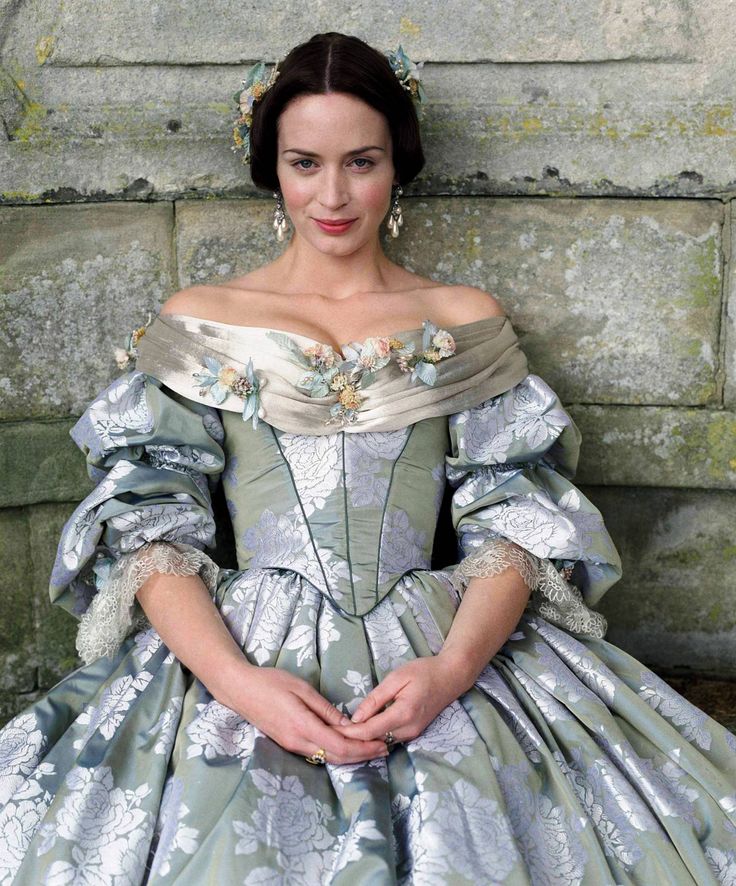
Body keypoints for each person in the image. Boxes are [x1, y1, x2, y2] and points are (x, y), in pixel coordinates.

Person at [1, 30, 735, 886]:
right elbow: (149, 533)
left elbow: (517, 527)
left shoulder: (459, 319)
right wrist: (240, 685)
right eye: (306, 163)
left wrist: (451, 670)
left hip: (432, 649)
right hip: (244, 653)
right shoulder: (205, 320)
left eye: (363, 161)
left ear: (399, 164)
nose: (334, 195)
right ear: (272, 166)